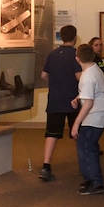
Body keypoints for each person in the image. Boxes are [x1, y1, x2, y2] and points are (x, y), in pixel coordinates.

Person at [38, 24, 81, 181]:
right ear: (75, 37)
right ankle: (84, 165)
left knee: (52, 133)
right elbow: (79, 77)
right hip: (73, 101)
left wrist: (54, 83)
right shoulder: (76, 55)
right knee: (78, 133)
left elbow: (44, 75)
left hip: (55, 99)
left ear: (61, 37)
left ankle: (46, 166)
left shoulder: (53, 54)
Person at [71, 43, 104, 195]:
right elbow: (94, 91)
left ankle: (96, 182)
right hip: (100, 112)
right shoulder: (95, 69)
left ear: (77, 59)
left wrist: (76, 124)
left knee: (87, 147)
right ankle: (90, 178)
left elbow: (89, 102)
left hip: (96, 114)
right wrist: (78, 97)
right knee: (88, 146)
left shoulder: (87, 76)